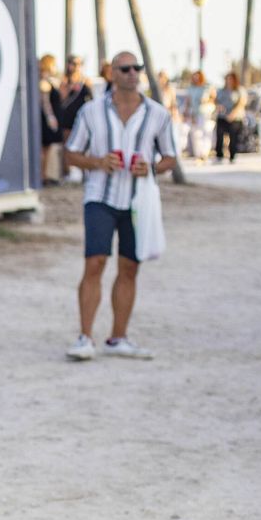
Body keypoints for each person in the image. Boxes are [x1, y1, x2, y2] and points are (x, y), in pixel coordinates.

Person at [62, 50, 178, 362]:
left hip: (138, 201)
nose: (132, 73)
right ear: (111, 73)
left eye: (136, 68)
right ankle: (85, 337)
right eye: (124, 68)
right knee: (95, 263)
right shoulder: (91, 112)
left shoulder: (157, 114)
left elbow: (170, 157)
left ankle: (118, 338)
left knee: (130, 267)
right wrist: (98, 162)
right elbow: (71, 154)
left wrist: (151, 166)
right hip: (100, 196)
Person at [55, 57, 94, 181]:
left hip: (81, 118)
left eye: (77, 64)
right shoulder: (65, 81)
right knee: (67, 146)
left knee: (82, 147)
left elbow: (92, 99)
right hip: (67, 118)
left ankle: (84, 173)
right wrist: (70, 86)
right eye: (72, 64)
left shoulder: (85, 81)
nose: (74, 66)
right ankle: (67, 172)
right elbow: (61, 98)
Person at [37, 54, 61, 184]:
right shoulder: (44, 82)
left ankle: (45, 175)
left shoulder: (47, 80)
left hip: (47, 118)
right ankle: (43, 176)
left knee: (47, 149)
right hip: (46, 120)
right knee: (45, 149)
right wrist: (50, 117)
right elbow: (45, 103)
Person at [213, 71, 247, 163]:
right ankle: (219, 155)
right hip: (222, 116)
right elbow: (216, 100)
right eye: (227, 79)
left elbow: (241, 103)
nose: (229, 81)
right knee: (219, 135)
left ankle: (232, 156)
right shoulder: (221, 90)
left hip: (235, 118)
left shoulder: (239, 90)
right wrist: (218, 106)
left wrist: (233, 114)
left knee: (233, 137)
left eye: (230, 79)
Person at [182, 70, 215, 161]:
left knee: (206, 133)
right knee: (196, 134)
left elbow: (213, 98)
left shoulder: (206, 87)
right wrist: (186, 111)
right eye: (194, 77)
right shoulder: (190, 88)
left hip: (205, 113)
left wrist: (207, 101)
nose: (196, 79)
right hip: (194, 113)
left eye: (197, 77)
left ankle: (204, 153)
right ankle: (198, 154)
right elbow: (188, 101)